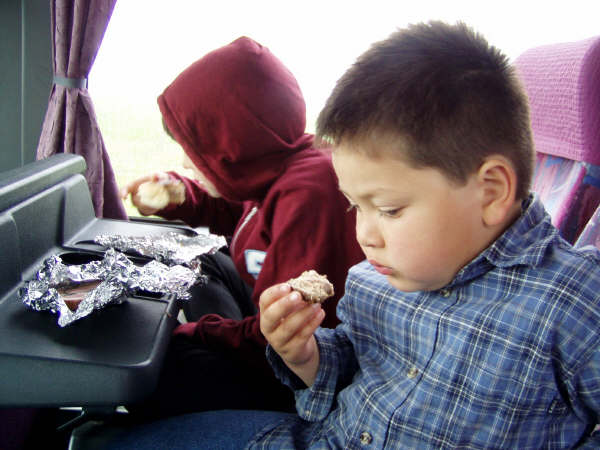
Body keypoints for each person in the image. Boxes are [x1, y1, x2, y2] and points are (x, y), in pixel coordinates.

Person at [110, 21, 600, 448]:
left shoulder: (575, 303)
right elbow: (350, 364)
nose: (365, 236)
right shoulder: (372, 279)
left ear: (491, 192)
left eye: (388, 209)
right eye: (354, 206)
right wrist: (306, 354)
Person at [120, 36, 364, 415]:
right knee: (204, 261)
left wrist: (186, 335)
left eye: (195, 149)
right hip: (266, 311)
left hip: (300, 365)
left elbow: (286, 329)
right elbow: (245, 212)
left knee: (163, 371)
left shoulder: (309, 192)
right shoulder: (276, 163)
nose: (186, 163)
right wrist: (183, 196)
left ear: (232, 144)